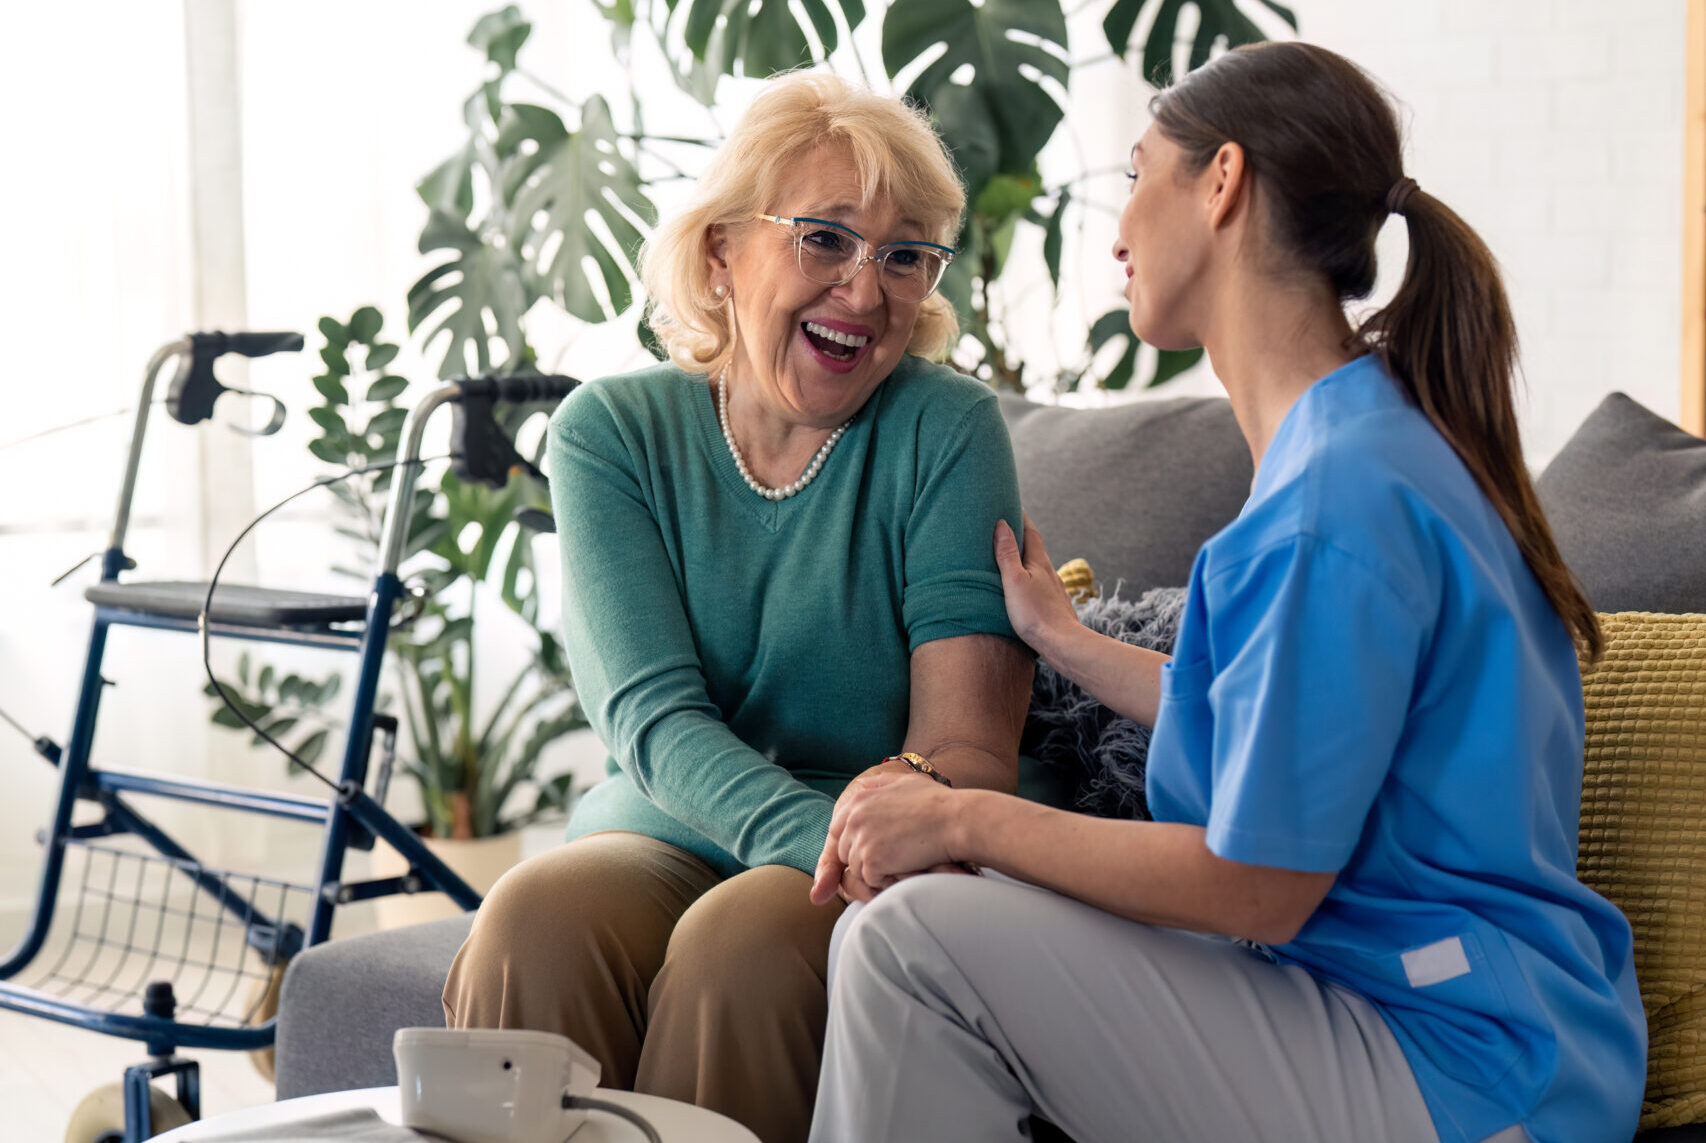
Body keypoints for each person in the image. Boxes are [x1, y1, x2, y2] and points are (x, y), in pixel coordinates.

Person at [808, 41, 1646, 1143]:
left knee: (906, 942)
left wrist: (961, 815)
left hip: (1461, 1062)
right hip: (1452, 1021)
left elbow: (1257, 881)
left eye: (1137, 174)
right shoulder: (1371, 443)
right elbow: (1293, 731)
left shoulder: (1332, 506)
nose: (1116, 231)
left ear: (1222, 183)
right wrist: (1067, 642)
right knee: (911, 934)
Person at [441, 72, 1034, 1143]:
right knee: (533, 917)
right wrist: (819, 840)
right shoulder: (609, 433)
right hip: (672, 822)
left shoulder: (946, 430)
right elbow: (650, 718)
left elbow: (965, 747)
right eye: (825, 239)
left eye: (904, 256)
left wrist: (862, 844)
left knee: (744, 948)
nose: (865, 291)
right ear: (722, 252)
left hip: (879, 837)